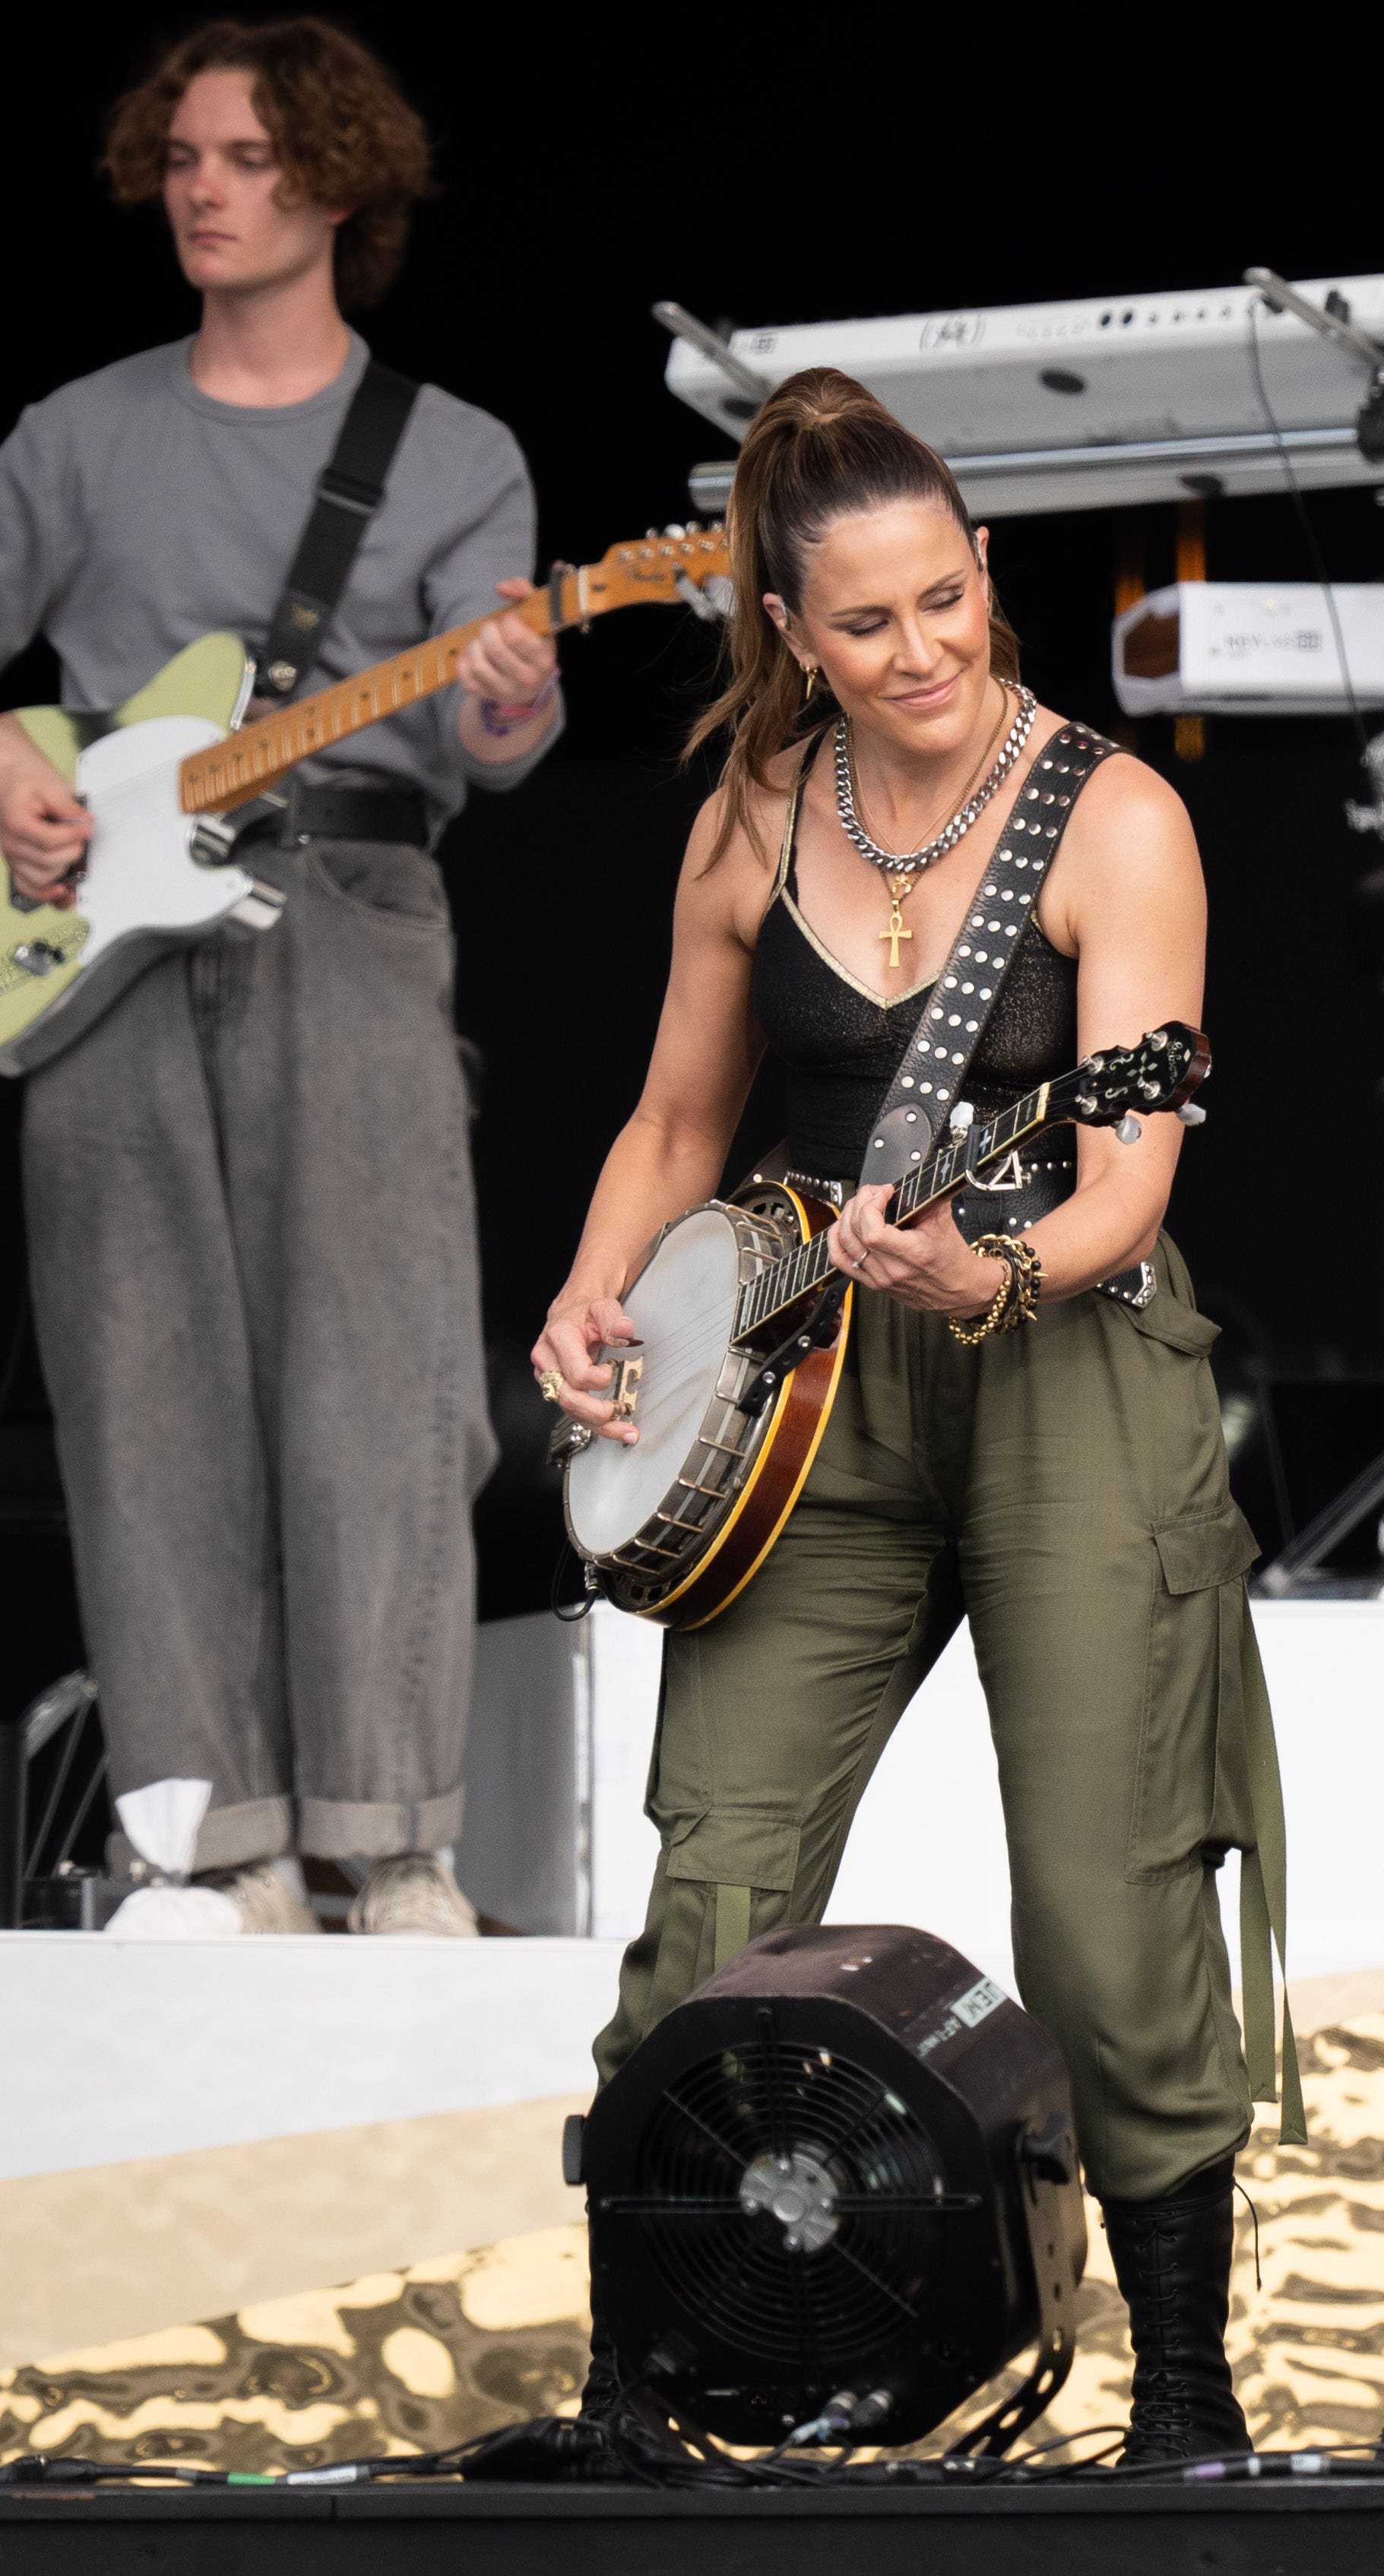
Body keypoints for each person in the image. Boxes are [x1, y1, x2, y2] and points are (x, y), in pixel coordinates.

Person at [529, 370, 1291, 2461]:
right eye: (869, 622)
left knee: (1106, 1906)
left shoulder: (1111, 814)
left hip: (1063, 1364)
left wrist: (999, 1263)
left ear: (984, 572)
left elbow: (1128, 1177)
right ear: (791, 628)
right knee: (718, 1882)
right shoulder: (756, 816)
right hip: (800, 1396)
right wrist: (600, 1295)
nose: (926, 647)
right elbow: (678, 1118)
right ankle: (632, 2385)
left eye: (949, 597)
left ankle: (1190, 2399)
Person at [0, 20, 566, 1938]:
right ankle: (206, 1841)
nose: (201, 189)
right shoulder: (71, 438)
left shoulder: (457, 455)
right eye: (181, 158)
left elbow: (496, 751)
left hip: (349, 903)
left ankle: (384, 1842)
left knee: (387, 1380)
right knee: (135, 1384)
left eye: (242, 158)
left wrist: (518, 690)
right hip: (101, 941)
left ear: (333, 182)